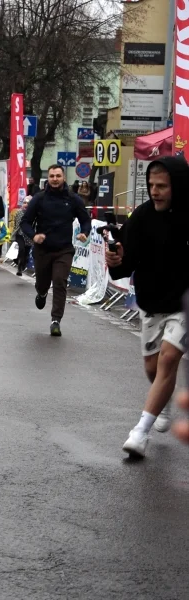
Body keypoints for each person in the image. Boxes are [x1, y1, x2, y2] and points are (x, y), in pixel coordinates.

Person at [104, 157, 189, 458]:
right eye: (151, 185)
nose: (155, 191)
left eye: (162, 186)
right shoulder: (141, 216)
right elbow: (126, 263)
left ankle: (139, 433)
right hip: (152, 302)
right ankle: (162, 398)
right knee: (153, 369)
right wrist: (115, 262)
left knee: (168, 360)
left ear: (177, 186)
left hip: (184, 303)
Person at [20, 164, 90, 337]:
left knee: (60, 281)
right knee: (42, 283)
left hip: (64, 249)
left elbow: (85, 220)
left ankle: (55, 320)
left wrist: (84, 232)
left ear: (63, 177)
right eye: (51, 176)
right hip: (43, 250)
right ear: (48, 178)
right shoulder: (40, 198)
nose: (55, 179)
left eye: (58, 176)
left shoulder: (73, 199)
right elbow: (25, 222)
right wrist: (34, 236)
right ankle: (42, 292)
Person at [10, 197, 33, 276]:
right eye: (24, 203)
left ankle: (23, 264)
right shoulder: (19, 212)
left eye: (28, 203)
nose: (26, 205)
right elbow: (16, 224)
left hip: (29, 235)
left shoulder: (33, 213)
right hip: (20, 234)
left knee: (26, 253)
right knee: (21, 249)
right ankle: (19, 265)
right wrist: (14, 235)